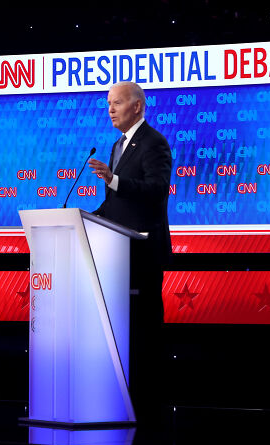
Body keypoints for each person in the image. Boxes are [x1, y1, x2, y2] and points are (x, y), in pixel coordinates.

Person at [88, 81, 172, 421]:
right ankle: (124, 401)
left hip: (143, 254)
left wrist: (115, 180)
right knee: (123, 332)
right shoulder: (117, 145)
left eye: (116, 103)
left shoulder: (153, 142)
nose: (110, 109)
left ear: (137, 106)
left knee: (144, 331)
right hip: (117, 256)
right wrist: (78, 219)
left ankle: (150, 407)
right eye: (108, 103)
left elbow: (156, 189)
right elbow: (114, 204)